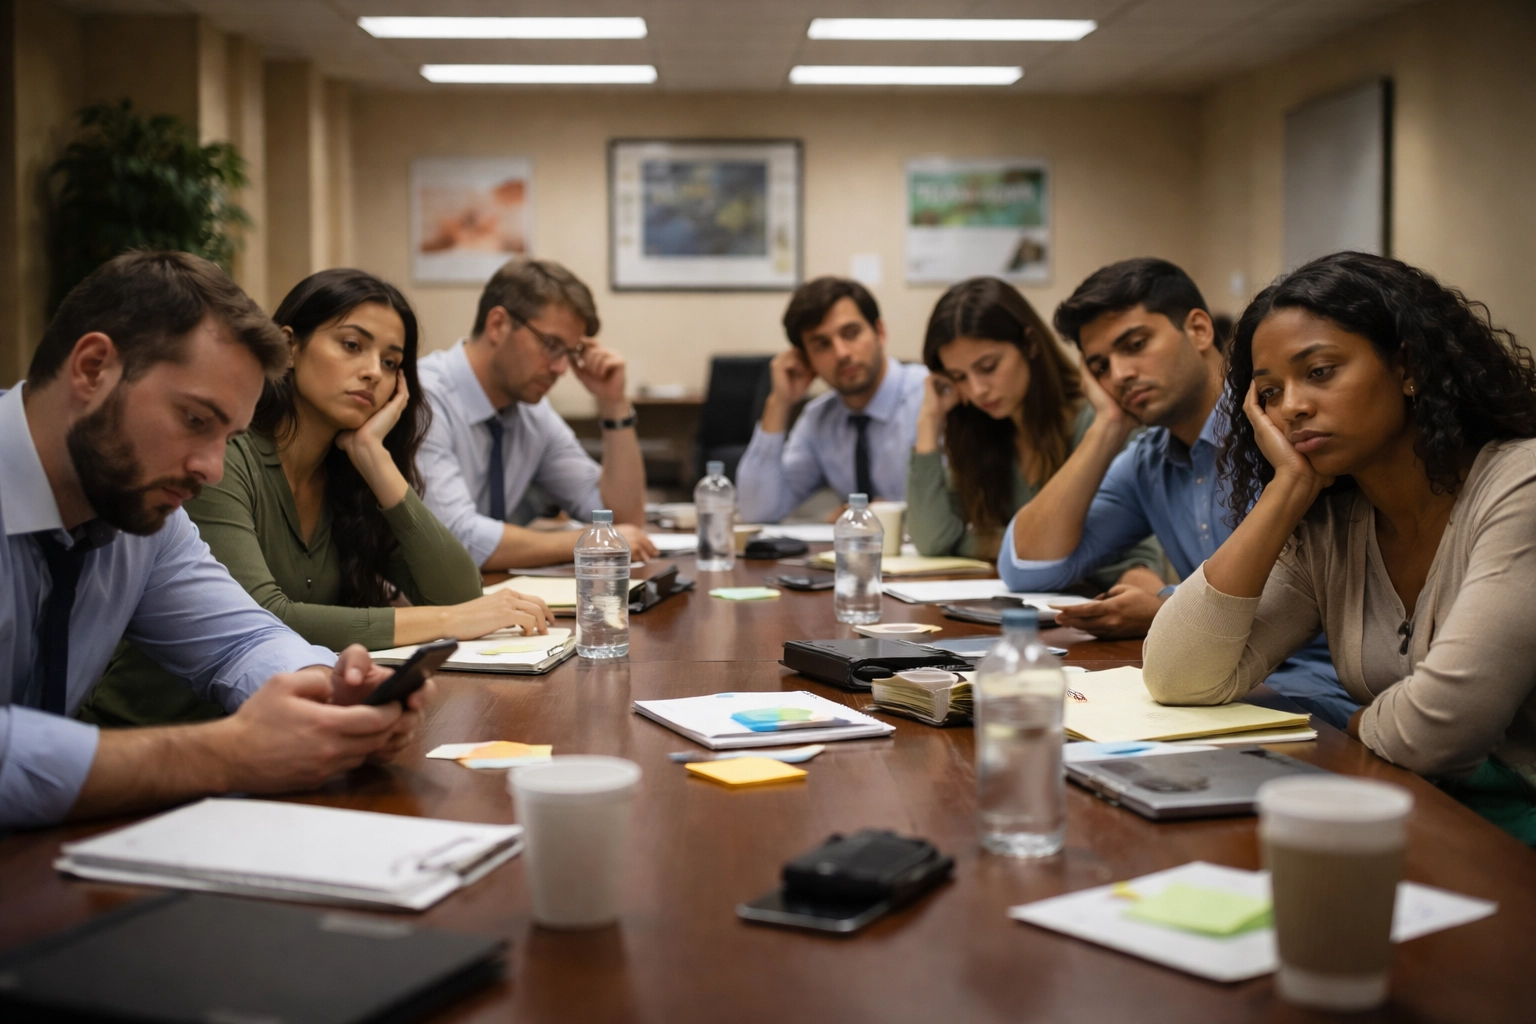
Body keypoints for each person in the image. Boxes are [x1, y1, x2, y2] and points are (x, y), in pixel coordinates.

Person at [0, 251, 427, 830]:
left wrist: (326, 693)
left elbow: (239, 641)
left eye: (229, 435)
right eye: (196, 420)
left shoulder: (142, 510)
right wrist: (224, 754)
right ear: (93, 368)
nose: (213, 469)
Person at [1144, 252, 1536, 843]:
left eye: (1320, 372)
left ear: (1409, 367)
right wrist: (1288, 490)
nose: (1293, 406)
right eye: (1270, 393)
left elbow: (1442, 731)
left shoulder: (1519, 485)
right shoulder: (1333, 524)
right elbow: (1178, 676)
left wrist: (1355, 725)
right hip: (1421, 814)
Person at [82, 269, 554, 727]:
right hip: (151, 735)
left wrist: (377, 461)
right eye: (352, 346)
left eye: (391, 363)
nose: (372, 372)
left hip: (278, 738)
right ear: (290, 346)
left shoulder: (350, 478)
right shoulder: (221, 457)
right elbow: (266, 618)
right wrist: (450, 620)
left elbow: (460, 591)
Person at [999, 258, 1356, 728]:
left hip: (1322, 698)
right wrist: (1108, 425)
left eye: (1136, 345)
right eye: (1101, 366)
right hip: (1211, 687)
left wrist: (1166, 601)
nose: (1121, 375)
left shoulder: (1286, 426)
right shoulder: (1149, 459)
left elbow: (1279, 603)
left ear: (1199, 329)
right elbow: (1028, 566)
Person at [906, 277, 1166, 596]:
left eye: (988, 367)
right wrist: (928, 422)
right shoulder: (985, 431)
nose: (976, 390)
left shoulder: (1103, 421)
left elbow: (1139, 562)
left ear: (1030, 344)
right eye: (959, 377)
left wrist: (988, 542)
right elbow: (932, 539)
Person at [416, 257, 658, 568]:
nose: (561, 368)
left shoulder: (532, 413)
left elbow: (622, 518)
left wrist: (613, 404)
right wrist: (588, 542)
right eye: (552, 344)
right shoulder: (424, 398)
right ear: (498, 325)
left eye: (570, 353)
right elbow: (456, 540)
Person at [736, 277, 927, 523]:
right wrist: (779, 403)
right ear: (807, 360)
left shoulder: (928, 399)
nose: (841, 353)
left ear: (880, 332)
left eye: (851, 333)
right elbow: (757, 511)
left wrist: (891, 518)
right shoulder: (819, 419)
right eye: (822, 345)